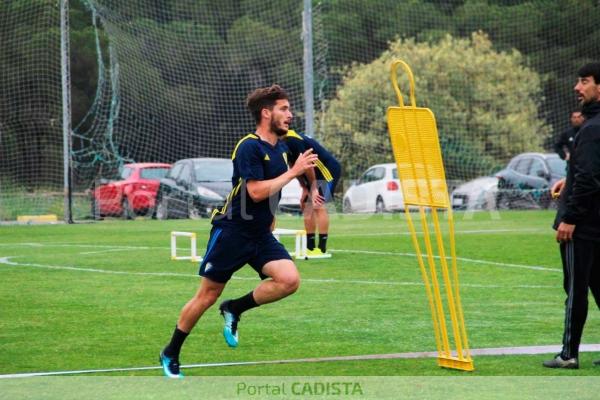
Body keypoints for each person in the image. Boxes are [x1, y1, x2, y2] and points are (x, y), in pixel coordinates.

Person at [159, 85, 318, 378]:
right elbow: (256, 192)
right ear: (266, 113)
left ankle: (234, 308)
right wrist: (294, 173)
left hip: (260, 234)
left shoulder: (282, 148)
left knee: (289, 279)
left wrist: (308, 187)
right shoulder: (248, 146)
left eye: (289, 109)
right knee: (206, 295)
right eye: (284, 109)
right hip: (232, 232)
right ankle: (171, 352)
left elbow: (276, 191)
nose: (289, 114)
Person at [544, 63, 600, 369]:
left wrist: (570, 218)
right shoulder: (593, 125)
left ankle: (568, 354)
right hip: (597, 222)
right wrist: (570, 178)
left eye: (585, 81)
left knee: (575, 289)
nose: (578, 87)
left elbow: (590, 178)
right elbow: (590, 172)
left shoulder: (590, 129)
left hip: (584, 225)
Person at [283, 130, 341, 256]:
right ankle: (310, 247)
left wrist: (313, 188)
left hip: (327, 169)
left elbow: (308, 163)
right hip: (313, 172)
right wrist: (304, 187)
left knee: (317, 204)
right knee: (305, 204)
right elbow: (294, 165)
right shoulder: (279, 141)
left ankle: (321, 248)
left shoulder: (292, 140)